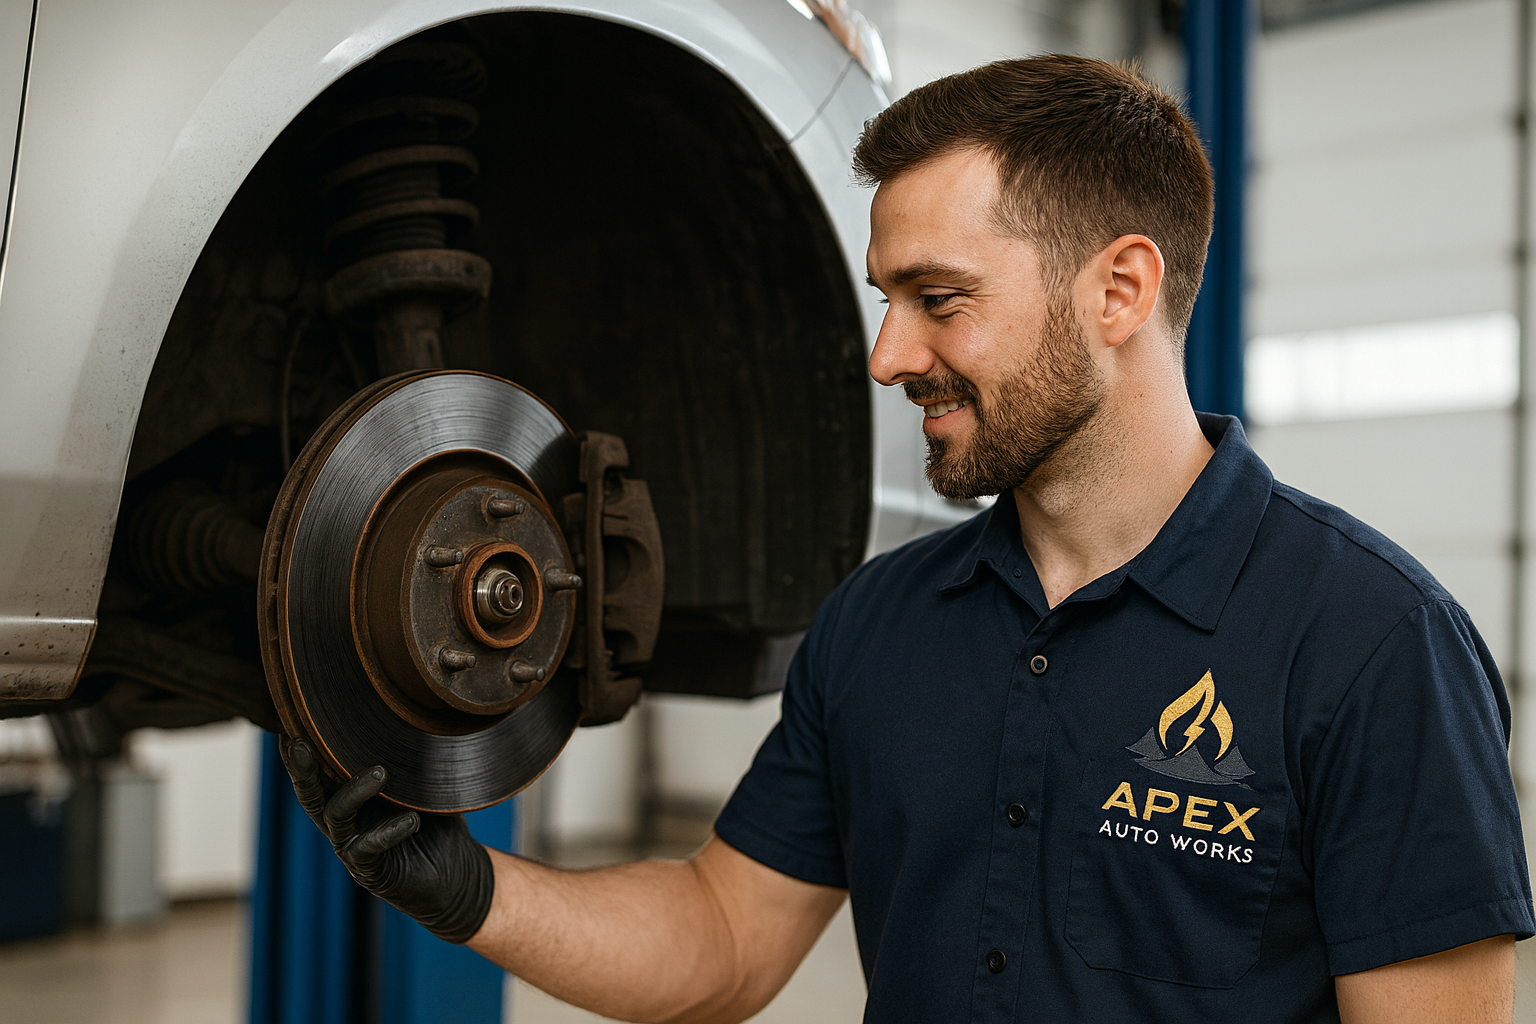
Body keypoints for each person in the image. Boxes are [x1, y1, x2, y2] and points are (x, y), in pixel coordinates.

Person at [283, 54, 1535, 1022]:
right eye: (888, 302)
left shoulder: (1376, 646)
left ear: (1120, 290)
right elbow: (725, 935)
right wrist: (464, 888)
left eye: (939, 301)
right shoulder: (879, 626)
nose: (888, 357)